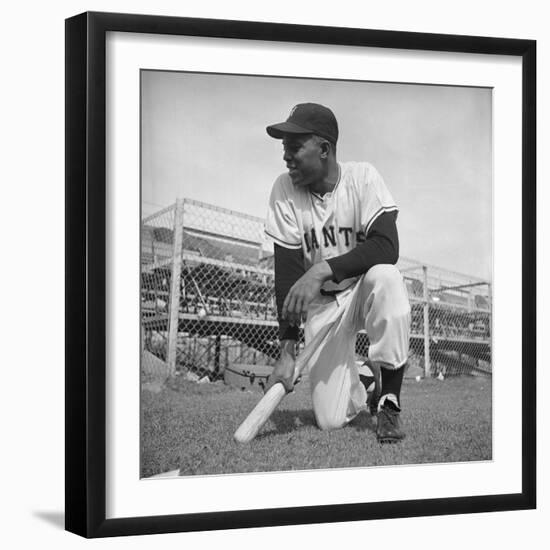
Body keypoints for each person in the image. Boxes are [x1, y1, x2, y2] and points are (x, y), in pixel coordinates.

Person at [263, 103, 411, 443]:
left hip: (362, 291)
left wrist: (320, 270)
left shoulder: (362, 177)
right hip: (325, 306)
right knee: (330, 420)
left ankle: (389, 400)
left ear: (325, 149)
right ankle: (366, 380)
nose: (286, 156)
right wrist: (286, 350)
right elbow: (286, 274)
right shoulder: (284, 189)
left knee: (388, 278)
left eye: (294, 146)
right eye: (284, 146)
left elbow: (387, 245)